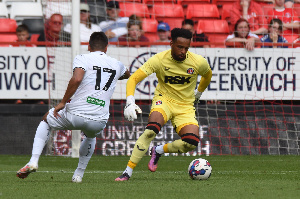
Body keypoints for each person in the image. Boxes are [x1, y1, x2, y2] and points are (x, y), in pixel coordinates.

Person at [16, 32, 130, 183]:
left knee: (46, 120)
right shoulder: (117, 64)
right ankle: (78, 175)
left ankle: (33, 161)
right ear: (106, 48)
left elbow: (77, 78)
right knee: (91, 135)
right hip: (99, 118)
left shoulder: (82, 58)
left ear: (88, 46)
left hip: (75, 114)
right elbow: (128, 74)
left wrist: (62, 102)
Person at [115, 28, 212, 181]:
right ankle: (127, 172)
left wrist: (198, 93)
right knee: (151, 131)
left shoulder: (197, 61)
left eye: (186, 48)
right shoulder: (159, 59)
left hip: (185, 106)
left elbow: (208, 75)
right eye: (180, 47)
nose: (183, 51)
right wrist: (129, 102)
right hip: (164, 101)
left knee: (191, 142)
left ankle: (158, 150)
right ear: (171, 43)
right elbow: (133, 79)